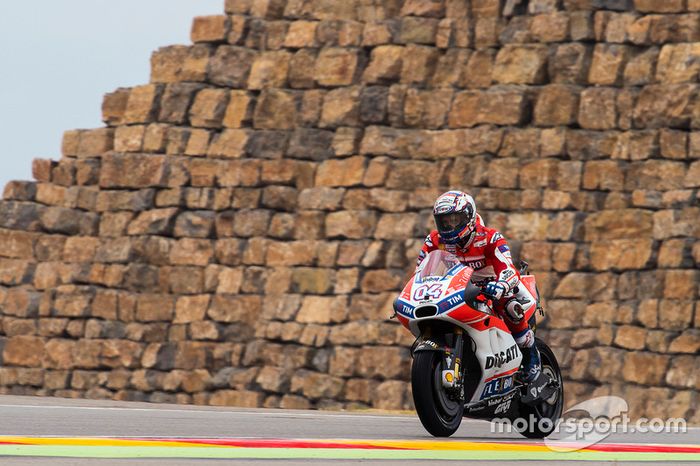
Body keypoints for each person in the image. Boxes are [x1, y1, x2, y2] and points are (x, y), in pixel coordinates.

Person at [417, 190, 548, 399]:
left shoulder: (489, 237)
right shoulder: (435, 241)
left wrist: (502, 284)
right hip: (459, 289)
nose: (449, 226)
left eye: (455, 220)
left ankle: (530, 353)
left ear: (469, 216)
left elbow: (508, 267)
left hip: (494, 287)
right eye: (444, 222)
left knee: (510, 306)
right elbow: (420, 271)